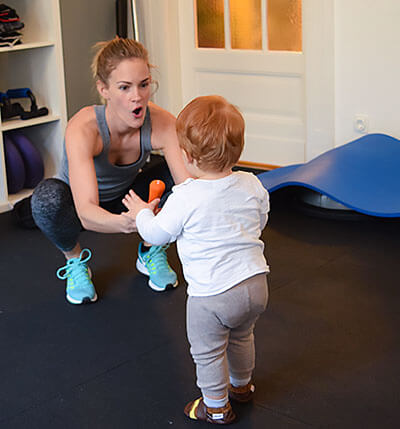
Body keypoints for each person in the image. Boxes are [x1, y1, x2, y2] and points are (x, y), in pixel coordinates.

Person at [122, 95, 270, 425]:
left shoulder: (185, 196)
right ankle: (242, 387)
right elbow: (259, 220)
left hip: (212, 295)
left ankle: (216, 406)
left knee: (208, 351)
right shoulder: (252, 183)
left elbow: (158, 235)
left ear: (186, 156)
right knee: (243, 336)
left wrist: (143, 213)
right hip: (255, 283)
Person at [30, 37, 190, 304]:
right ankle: (76, 262)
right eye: (124, 87)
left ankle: (150, 251)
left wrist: (158, 228)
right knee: (46, 199)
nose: (137, 96)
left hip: (127, 197)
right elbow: (87, 213)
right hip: (78, 205)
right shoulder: (83, 128)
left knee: (182, 181)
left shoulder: (162, 123)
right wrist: (131, 223)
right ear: (103, 89)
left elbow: (189, 189)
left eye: (143, 84)